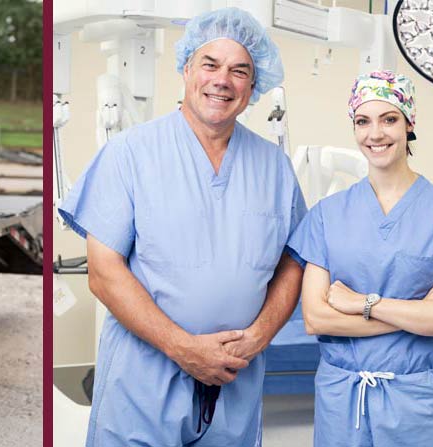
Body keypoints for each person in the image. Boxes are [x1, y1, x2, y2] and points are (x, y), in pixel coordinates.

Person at [56, 8, 305, 446]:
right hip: (143, 386)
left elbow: (293, 263)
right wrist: (184, 349)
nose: (222, 80)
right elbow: (104, 271)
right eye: (210, 64)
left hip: (236, 386)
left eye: (239, 70)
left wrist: (259, 336)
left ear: (254, 84)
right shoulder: (130, 153)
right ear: (187, 68)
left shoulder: (275, 168)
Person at [287, 70, 433, 446]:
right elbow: (315, 317)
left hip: (415, 403)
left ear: (409, 124)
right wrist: (419, 314)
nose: (375, 134)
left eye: (389, 119)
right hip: (342, 401)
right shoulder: (327, 215)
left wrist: (362, 304)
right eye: (363, 121)